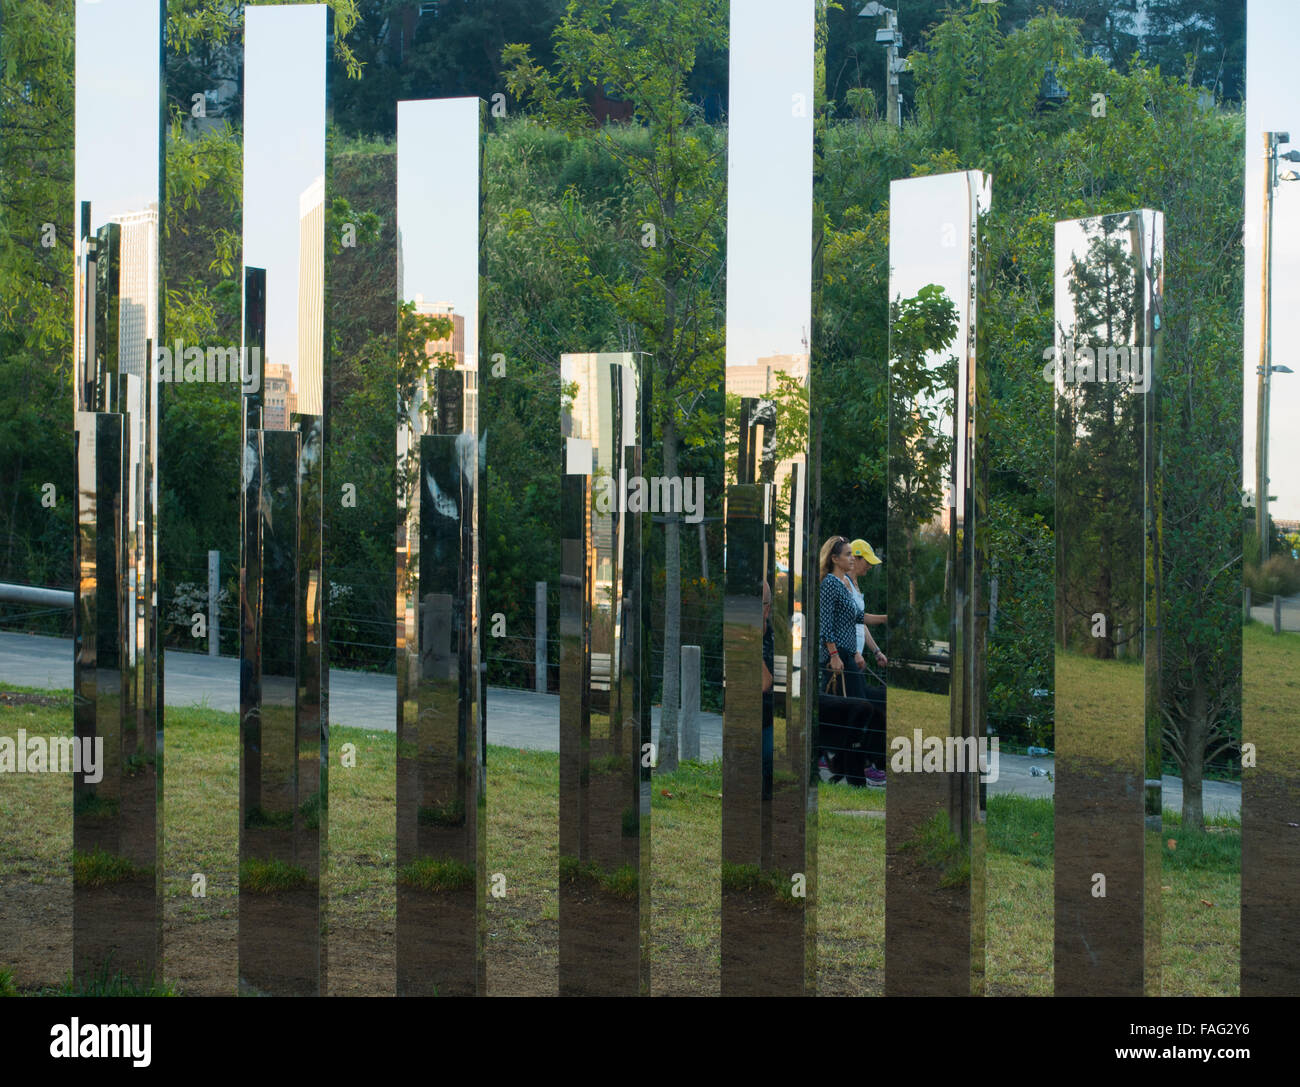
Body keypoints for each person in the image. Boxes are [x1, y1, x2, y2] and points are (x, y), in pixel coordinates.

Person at [818, 536, 867, 699]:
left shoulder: (842, 584)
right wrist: (834, 656)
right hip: (839, 656)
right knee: (855, 704)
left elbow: (857, 617)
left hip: (847, 655)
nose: (852, 558)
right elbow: (826, 623)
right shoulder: (830, 583)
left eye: (852, 554)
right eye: (848, 554)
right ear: (834, 559)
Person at [846, 539, 888, 672]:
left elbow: (860, 622)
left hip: (856, 658)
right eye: (867, 562)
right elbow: (845, 621)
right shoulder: (843, 583)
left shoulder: (855, 584)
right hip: (847, 657)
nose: (870, 566)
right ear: (855, 558)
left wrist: (876, 651)